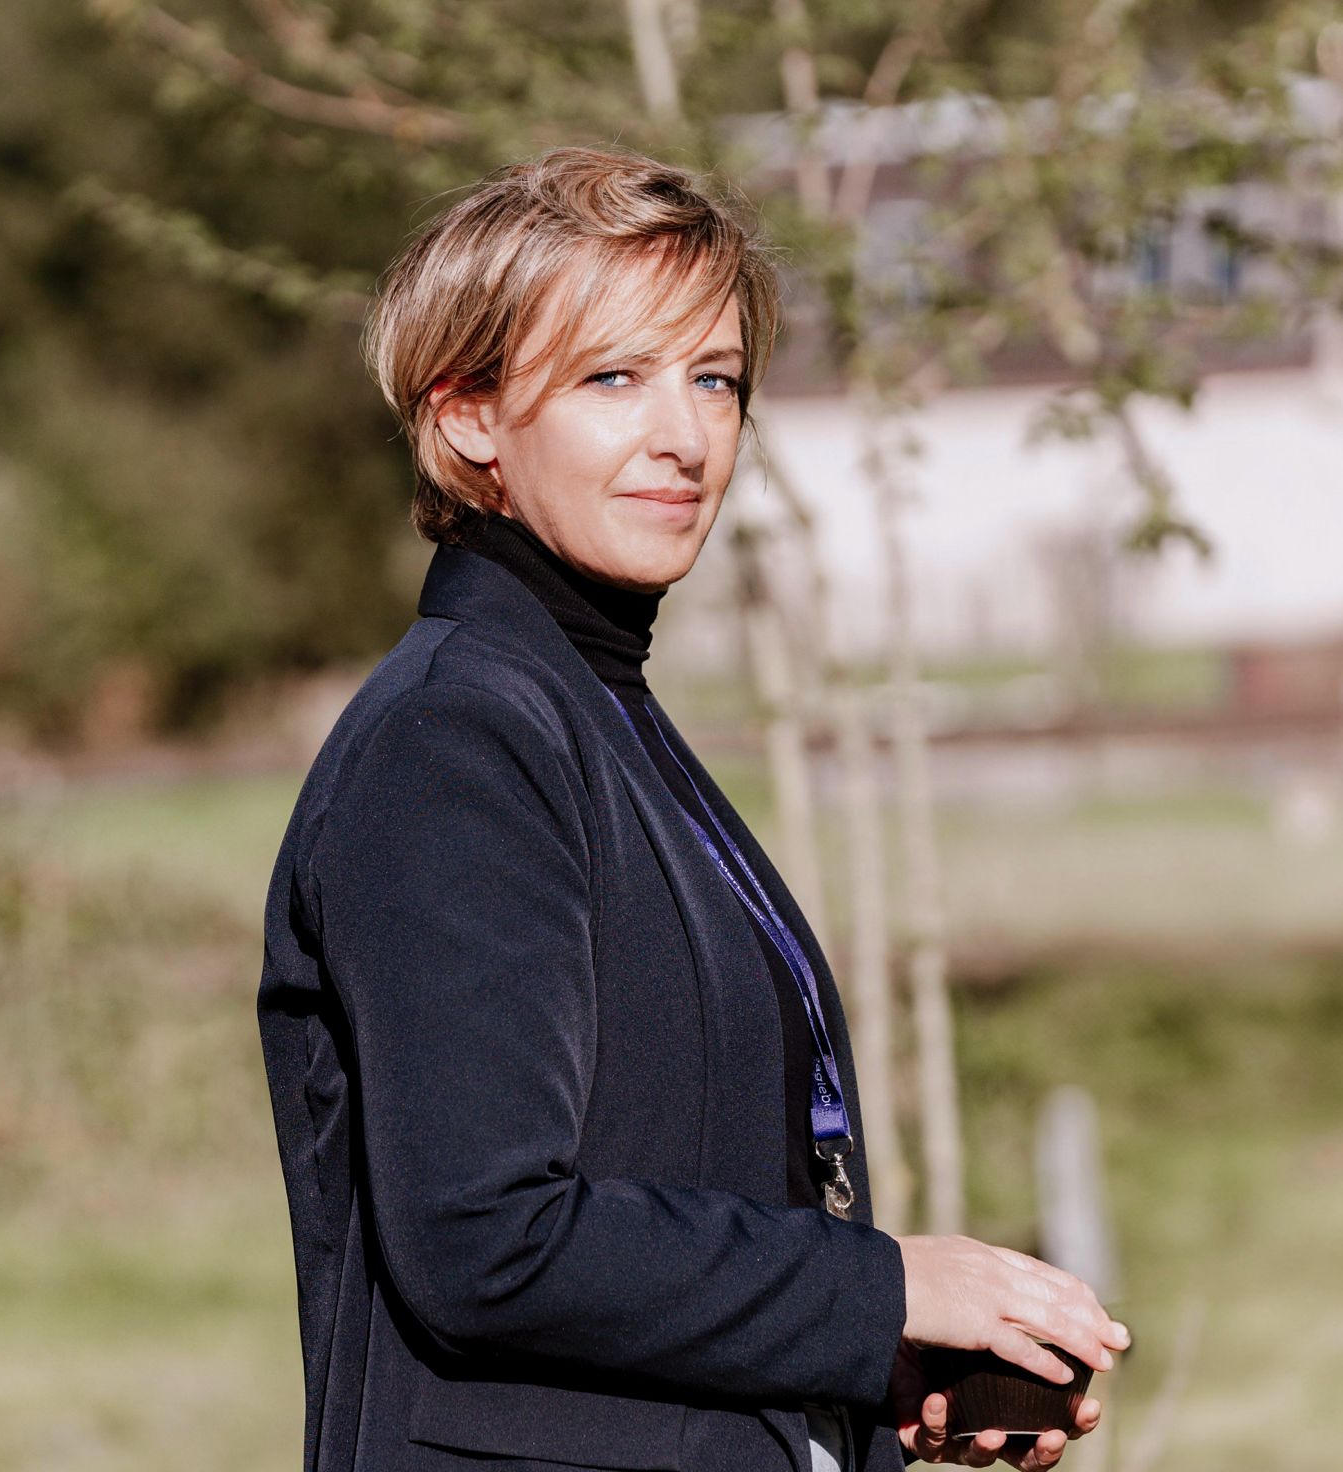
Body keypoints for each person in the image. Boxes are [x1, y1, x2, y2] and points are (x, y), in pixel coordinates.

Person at [256, 145, 1130, 1472]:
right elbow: (487, 1240)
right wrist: (886, 1286)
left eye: (714, 379)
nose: (684, 435)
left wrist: (869, 1375)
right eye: (613, 377)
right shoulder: (458, 738)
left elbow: (672, 1188)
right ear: (468, 415)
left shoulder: (590, 708)